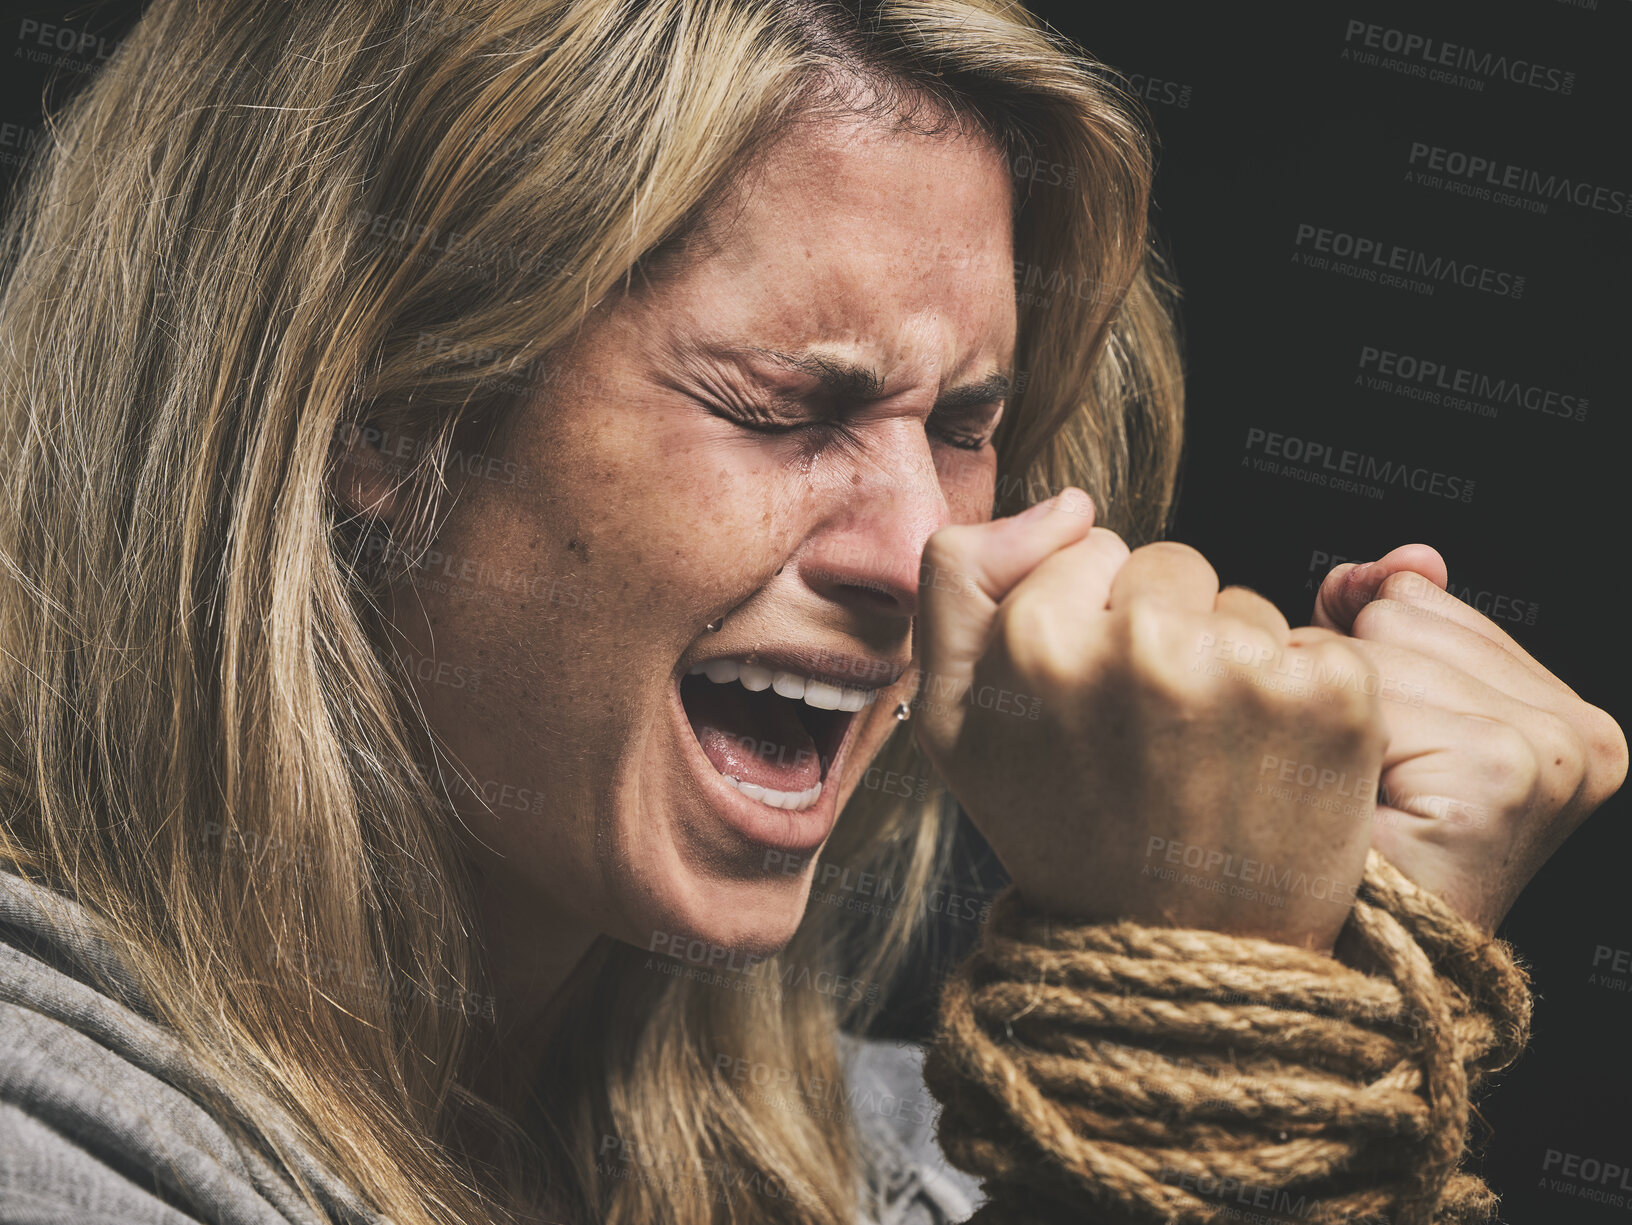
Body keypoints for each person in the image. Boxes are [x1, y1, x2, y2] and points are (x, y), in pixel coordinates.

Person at [0, 1, 1622, 1223]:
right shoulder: (48, 1137)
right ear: (375, 412)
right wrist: (1203, 1065)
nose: (923, 549)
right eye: (785, 410)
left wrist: (1312, 994)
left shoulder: (916, 1154)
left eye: (967, 424)